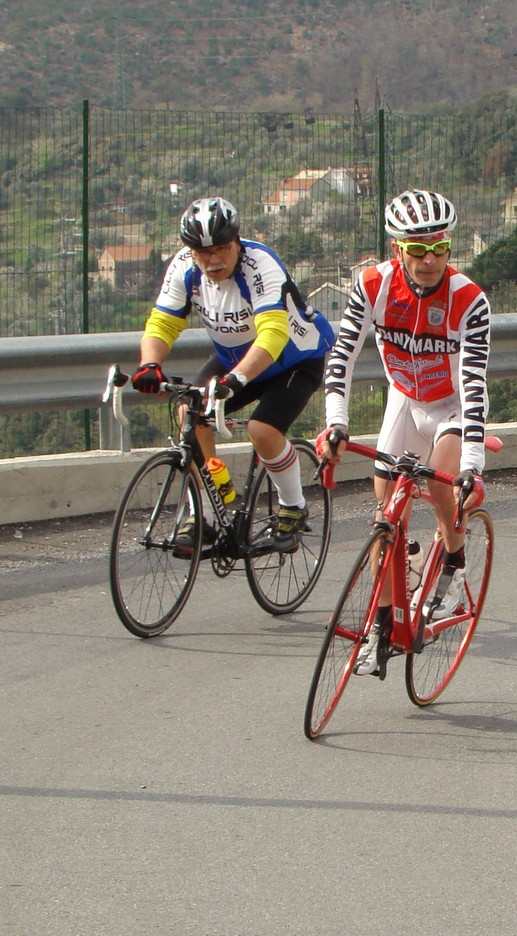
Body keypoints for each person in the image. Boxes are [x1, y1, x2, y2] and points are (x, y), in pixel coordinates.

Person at [320, 188, 490, 674]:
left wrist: (472, 467)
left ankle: (454, 563)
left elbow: (474, 385)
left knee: (440, 486)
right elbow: (342, 358)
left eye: (440, 247)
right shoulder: (371, 286)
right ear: (398, 249)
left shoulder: (469, 300)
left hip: (450, 406)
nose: (430, 259)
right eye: (417, 249)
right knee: (384, 518)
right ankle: (381, 626)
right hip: (404, 400)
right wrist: (336, 423)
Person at [132, 196, 334, 552]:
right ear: (190, 251)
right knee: (191, 413)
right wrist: (150, 365)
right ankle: (210, 508)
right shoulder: (184, 267)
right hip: (234, 358)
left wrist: (237, 380)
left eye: (222, 249)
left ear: (236, 242)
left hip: (293, 359)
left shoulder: (260, 266)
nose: (213, 260)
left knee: (262, 429)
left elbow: (273, 333)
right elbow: (162, 323)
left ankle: (293, 507)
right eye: (202, 252)